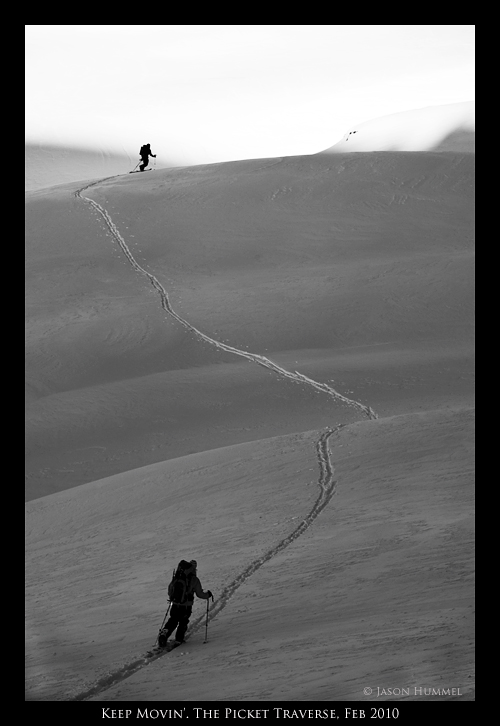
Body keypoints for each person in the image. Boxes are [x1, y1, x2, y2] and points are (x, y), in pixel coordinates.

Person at [162, 560, 213, 645]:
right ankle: (179, 638)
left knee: (173, 620)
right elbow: (199, 594)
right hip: (186, 606)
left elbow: (170, 590)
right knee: (183, 621)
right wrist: (208, 595)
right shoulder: (194, 579)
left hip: (175, 604)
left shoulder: (177, 577)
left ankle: (164, 634)